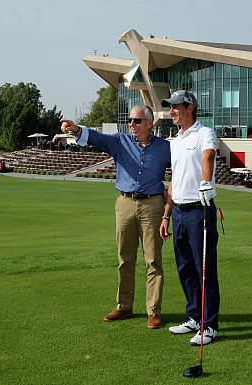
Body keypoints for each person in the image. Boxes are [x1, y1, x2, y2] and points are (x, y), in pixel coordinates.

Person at [60, 105, 171, 329]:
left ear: (149, 123)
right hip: (125, 203)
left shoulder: (165, 148)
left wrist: (169, 209)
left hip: (153, 205)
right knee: (125, 259)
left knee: (153, 261)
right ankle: (124, 306)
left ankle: (153, 311)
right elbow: (95, 138)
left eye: (137, 121)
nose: (132, 124)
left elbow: (182, 170)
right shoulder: (120, 141)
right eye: (130, 120)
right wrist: (75, 130)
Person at [159, 90, 220, 346]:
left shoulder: (205, 133)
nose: (171, 111)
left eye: (175, 107)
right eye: (170, 107)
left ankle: (209, 326)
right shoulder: (176, 140)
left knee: (204, 270)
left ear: (189, 107)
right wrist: (166, 214)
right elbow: (174, 178)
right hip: (180, 213)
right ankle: (194, 318)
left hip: (199, 210)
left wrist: (206, 182)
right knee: (185, 268)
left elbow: (208, 156)